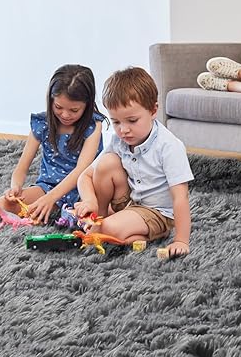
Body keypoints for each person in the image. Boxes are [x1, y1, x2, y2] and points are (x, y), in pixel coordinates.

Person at [74, 67, 193, 256]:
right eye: (116, 122)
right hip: (130, 202)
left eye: (132, 120)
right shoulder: (119, 141)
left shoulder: (169, 146)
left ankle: (112, 228)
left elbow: (181, 197)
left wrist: (181, 240)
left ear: (153, 110)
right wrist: (90, 202)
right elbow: (85, 176)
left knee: (108, 229)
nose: (123, 130)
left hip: (157, 213)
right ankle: (101, 220)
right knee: (107, 163)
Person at [0, 64, 106, 223]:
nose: (65, 115)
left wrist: (51, 198)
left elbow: (81, 170)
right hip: (47, 187)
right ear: (50, 100)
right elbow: (21, 168)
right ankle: (59, 209)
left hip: (85, 191)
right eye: (58, 107)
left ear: (87, 105)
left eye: (74, 110)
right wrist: (15, 187)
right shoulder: (42, 123)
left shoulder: (93, 125)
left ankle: (67, 211)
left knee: (95, 219)